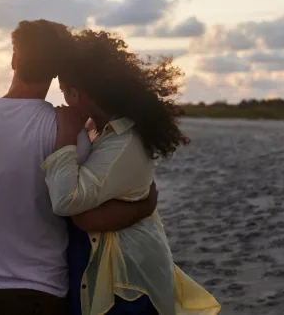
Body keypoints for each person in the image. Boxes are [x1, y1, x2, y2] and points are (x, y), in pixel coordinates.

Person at [0, 20, 158, 315]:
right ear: (55, 72)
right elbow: (87, 213)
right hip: (44, 292)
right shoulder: (65, 129)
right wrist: (143, 206)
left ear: (14, 59)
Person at [45, 29, 222, 314]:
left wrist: (65, 135)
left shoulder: (123, 139)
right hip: (111, 271)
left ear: (74, 92)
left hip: (125, 280)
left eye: (64, 91)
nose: (64, 99)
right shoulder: (100, 131)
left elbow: (67, 202)